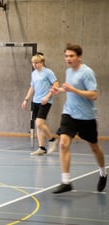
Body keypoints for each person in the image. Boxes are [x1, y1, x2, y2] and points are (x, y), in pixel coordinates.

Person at [51, 43, 107, 194]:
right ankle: (66, 182)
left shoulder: (87, 72)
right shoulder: (68, 71)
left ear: (79, 57)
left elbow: (94, 95)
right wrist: (60, 90)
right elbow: (69, 89)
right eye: (66, 56)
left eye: (71, 56)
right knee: (63, 144)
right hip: (69, 113)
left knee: (94, 148)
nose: (68, 59)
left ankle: (103, 172)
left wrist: (73, 90)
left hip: (86, 116)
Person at [21, 53, 59, 155]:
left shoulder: (48, 72)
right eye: (33, 63)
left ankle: (52, 140)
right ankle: (42, 148)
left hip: (45, 101)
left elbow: (56, 84)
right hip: (35, 101)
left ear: (42, 62)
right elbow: (32, 87)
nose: (34, 65)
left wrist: (47, 96)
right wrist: (26, 99)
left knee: (39, 123)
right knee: (38, 126)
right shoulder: (33, 74)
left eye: (36, 62)